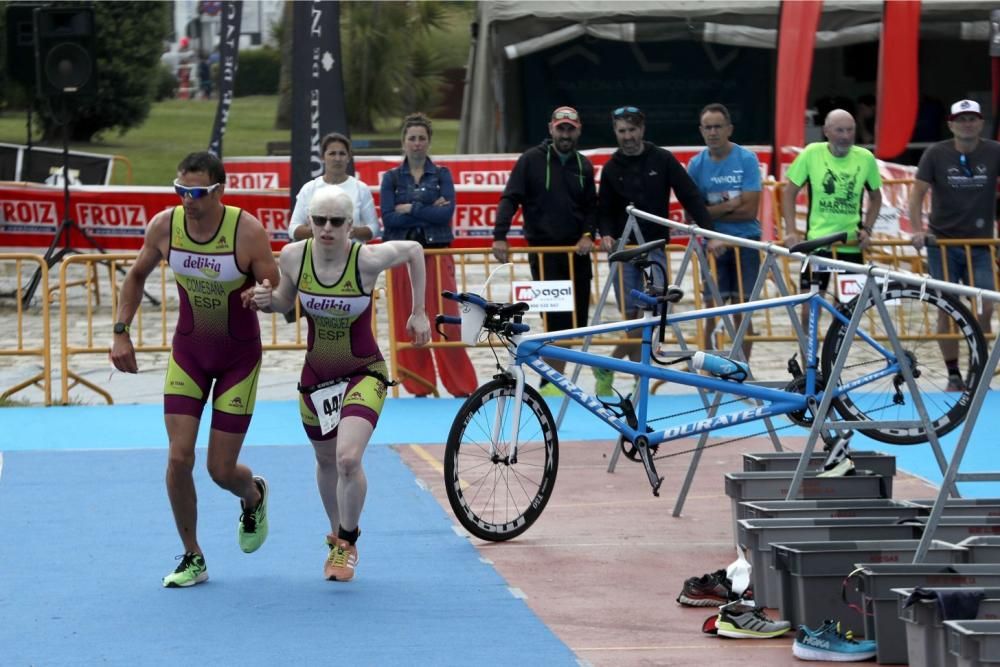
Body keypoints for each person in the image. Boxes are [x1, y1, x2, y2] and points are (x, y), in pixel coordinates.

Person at [110, 152, 280, 588]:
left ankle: (253, 494)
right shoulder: (165, 226)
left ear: (219, 190)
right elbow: (134, 277)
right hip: (189, 354)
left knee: (221, 471)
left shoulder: (246, 231)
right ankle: (192, 556)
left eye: (197, 192)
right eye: (180, 190)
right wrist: (120, 332)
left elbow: (274, 285)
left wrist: (261, 295)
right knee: (177, 456)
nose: (188, 199)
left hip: (238, 359)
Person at [247, 186, 430, 582]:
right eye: (319, 221)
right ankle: (337, 539)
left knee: (349, 458)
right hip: (316, 376)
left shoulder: (366, 260)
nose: (326, 229)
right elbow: (283, 302)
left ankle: (348, 542)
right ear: (309, 222)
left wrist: (419, 312)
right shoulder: (294, 256)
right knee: (327, 461)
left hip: (364, 370)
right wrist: (266, 299)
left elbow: (415, 251)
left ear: (351, 226)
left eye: (336, 222)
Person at [596, 105, 712, 395]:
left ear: (642, 129)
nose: (628, 136)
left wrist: (710, 231)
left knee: (654, 312)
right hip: (623, 253)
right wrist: (605, 234)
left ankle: (608, 364)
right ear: (615, 132)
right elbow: (604, 210)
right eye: (622, 131)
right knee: (633, 317)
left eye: (632, 130)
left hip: (655, 250)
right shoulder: (611, 167)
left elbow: (690, 195)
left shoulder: (662, 159)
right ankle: (640, 379)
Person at [492, 105, 599, 396]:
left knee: (577, 321)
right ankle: (549, 381)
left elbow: (592, 208)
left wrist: (589, 235)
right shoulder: (530, 160)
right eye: (560, 128)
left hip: (577, 253)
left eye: (570, 129)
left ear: (578, 130)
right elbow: (510, 198)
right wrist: (500, 235)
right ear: (551, 128)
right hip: (544, 252)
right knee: (554, 319)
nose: (565, 133)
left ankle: (554, 378)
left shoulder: (583, 165)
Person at [380, 112, 476, 397]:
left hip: (437, 255)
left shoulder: (443, 175)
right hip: (402, 258)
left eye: (422, 138)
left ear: (429, 141)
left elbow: (446, 214)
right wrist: (428, 210)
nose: (417, 143)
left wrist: (410, 208)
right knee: (406, 318)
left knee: (446, 318)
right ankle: (418, 382)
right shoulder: (391, 178)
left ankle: (460, 383)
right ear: (403, 142)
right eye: (412, 138)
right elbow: (389, 218)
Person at [908, 99, 1000, 390]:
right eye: (961, 119)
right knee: (946, 309)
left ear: (981, 123)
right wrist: (916, 230)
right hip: (942, 244)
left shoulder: (994, 151)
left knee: (986, 305)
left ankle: (978, 363)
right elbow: (917, 193)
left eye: (972, 118)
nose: (967, 124)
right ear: (950, 124)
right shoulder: (936, 153)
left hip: (982, 244)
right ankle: (953, 374)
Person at [782, 109, 883, 327]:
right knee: (809, 308)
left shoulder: (865, 158)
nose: (845, 136)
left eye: (850, 130)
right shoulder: (811, 153)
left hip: (851, 245)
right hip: (817, 245)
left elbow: (876, 198)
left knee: (846, 312)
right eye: (839, 130)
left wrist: (868, 229)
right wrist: (790, 230)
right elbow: (789, 192)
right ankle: (808, 357)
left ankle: (836, 358)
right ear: (826, 131)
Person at [687, 103, 762, 362]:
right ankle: (709, 368)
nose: (713, 132)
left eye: (718, 126)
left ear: (729, 129)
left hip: (746, 241)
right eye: (707, 127)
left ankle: (741, 368)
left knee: (743, 311)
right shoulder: (696, 165)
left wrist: (710, 211)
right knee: (710, 312)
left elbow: (750, 211)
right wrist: (730, 205)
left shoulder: (746, 159)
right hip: (711, 244)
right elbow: (692, 214)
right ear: (701, 130)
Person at [287, 132, 380, 242]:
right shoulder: (309, 189)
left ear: (349, 157)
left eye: (342, 154)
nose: (337, 158)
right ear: (322, 157)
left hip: (352, 255)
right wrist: (318, 231)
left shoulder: (361, 189)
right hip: (317, 256)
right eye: (332, 153)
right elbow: (293, 229)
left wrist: (351, 231)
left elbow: (374, 228)